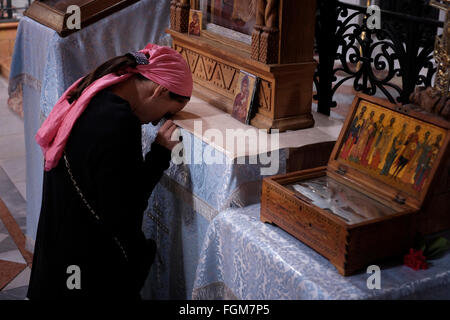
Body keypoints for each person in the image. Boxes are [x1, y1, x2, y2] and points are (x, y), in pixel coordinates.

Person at [27, 43, 193, 300]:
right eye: (167, 113)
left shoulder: (96, 93)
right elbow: (126, 206)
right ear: (159, 90)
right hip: (90, 261)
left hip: (62, 247)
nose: (154, 122)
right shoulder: (119, 121)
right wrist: (159, 153)